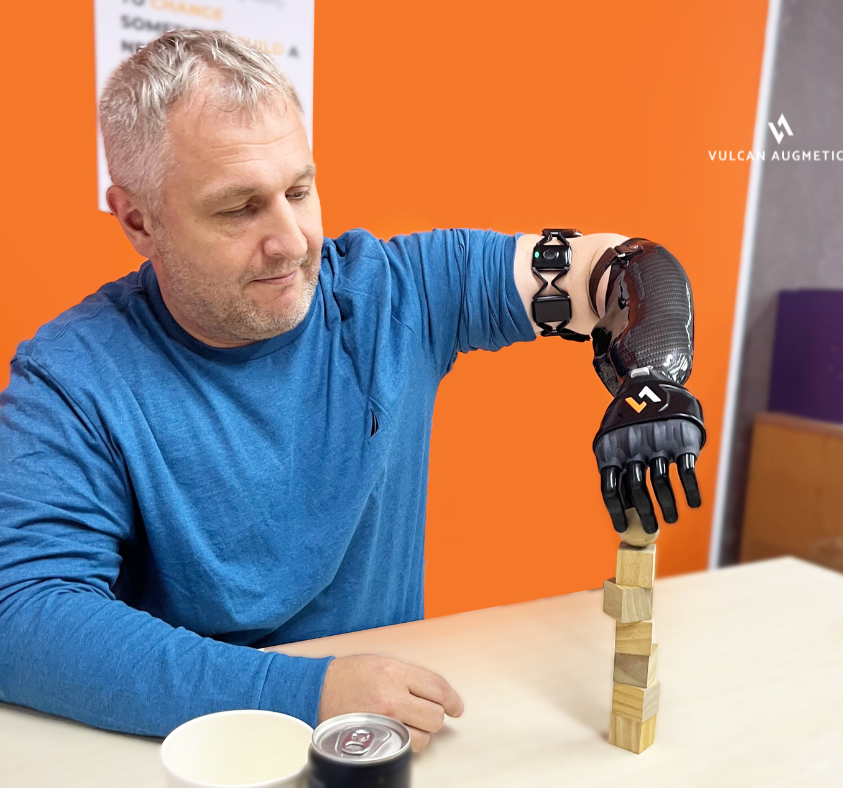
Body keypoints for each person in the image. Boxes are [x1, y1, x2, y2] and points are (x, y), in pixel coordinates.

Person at [0, 30, 702, 750]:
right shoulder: (72, 377)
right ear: (137, 220)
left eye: (299, 190)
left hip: (386, 739)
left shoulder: (402, 290)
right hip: (198, 750)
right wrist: (306, 692)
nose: (293, 240)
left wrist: (652, 369)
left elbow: (621, 267)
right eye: (239, 209)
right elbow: (20, 615)